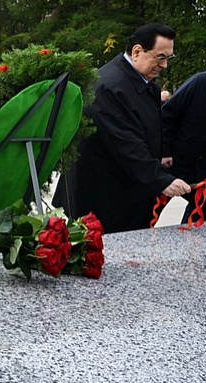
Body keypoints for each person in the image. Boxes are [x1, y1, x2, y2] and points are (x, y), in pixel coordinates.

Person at [52, 23, 190, 233]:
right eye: (160, 57)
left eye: (168, 58)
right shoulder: (109, 86)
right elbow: (124, 142)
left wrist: (163, 152)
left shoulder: (141, 80)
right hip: (102, 197)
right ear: (137, 51)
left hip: (127, 190)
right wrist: (161, 180)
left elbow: (150, 122)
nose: (164, 65)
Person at [161, 70, 206, 221]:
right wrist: (164, 151)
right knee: (143, 217)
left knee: (200, 219)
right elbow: (166, 115)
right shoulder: (201, 82)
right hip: (174, 165)